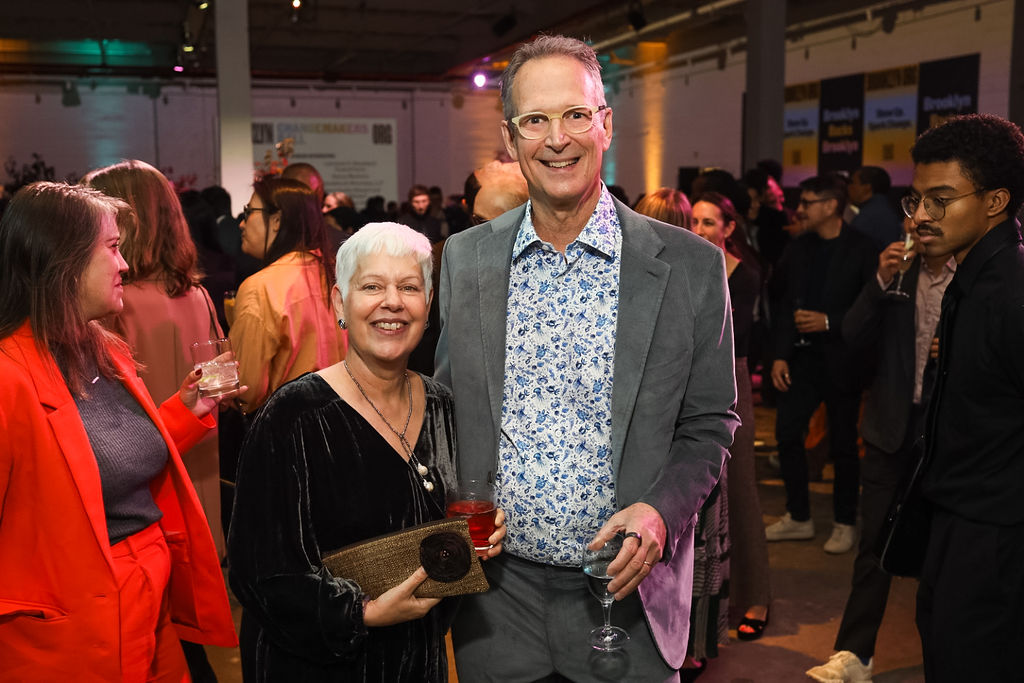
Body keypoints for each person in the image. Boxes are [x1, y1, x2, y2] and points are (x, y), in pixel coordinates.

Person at [435, 35, 738, 681]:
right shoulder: (468, 258)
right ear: (511, 139)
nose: (557, 138)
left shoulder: (688, 265)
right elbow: (443, 408)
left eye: (575, 114)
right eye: (535, 120)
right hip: (498, 597)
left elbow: (711, 422)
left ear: (606, 124)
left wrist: (660, 512)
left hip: (625, 594)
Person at [228, 222, 505, 681]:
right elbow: (259, 575)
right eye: (372, 286)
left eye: (409, 287)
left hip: (418, 663)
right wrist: (363, 613)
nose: (392, 302)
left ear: (429, 305)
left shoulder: (444, 407)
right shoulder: (293, 416)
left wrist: (478, 540)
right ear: (340, 303)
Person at [0, 182, 238, 679]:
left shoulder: (101, 348)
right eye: (111, 248)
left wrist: (185, 410)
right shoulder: (8, 376)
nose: (125, 264)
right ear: (61, 259)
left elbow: (105, 455)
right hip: (70, 634)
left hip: (148, 610)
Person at [806, 215, 954, 682]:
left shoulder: (974, 276)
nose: (922, 218)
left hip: (947, 431)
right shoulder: (900, 275)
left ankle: (948, 657)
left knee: (947, 551)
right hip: (890, 425)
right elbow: (851, 331)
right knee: (874, 546)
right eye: (916, 206)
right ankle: (855, 653)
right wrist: (879, 279)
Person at [903, 114, 1024, 682]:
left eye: (941, 199)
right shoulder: (971, 279)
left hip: (996, 536)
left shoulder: (1010, 293)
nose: (922, 215)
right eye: (918, 198)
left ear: (995, 200)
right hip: (958, 521)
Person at [766, 173, 876, 555]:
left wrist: (829, 320)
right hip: (800, 359)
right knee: (787, 435)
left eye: (808, 202)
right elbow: (782, 305)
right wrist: (779, 354)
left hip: (842, 360)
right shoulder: (799, 248)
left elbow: (872, 309)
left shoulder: (864, 249)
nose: (800, 210)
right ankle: (799, 516)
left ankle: (846, 521)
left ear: (831, 205)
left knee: (844, 445)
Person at [691, 192, 771, 645]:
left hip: (734, 377)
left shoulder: (743, 274)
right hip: (703, 374)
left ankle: (757, 596)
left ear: (728, 228)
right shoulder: (691, 263)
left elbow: (739, 340)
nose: (700, 228)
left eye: (709, 222)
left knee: (741, 490)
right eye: (695, 220)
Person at [230, 176, 347, 413]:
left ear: (276, 220)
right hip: (344, 420)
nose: (242, 223)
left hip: (287, 428)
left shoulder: (261, 287)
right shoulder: (337, 273)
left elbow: (246, 390)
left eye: (249, 211)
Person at [847, 166, 903, 251]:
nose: (849, 187)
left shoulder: (867, 218)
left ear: (867, 187)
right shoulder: (886, 209)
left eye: (852, 182)